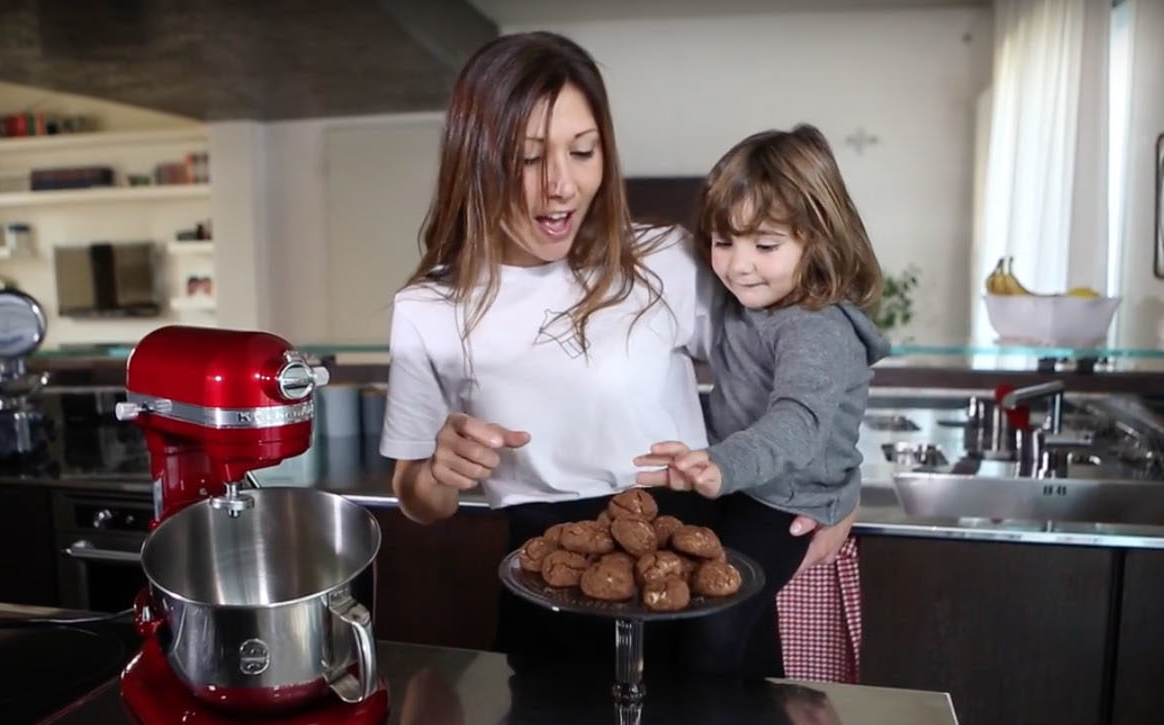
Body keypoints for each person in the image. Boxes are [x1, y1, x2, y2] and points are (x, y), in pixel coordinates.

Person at [380, 31, 850, 673]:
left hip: (696, 579)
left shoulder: (667, 259)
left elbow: (805, 363)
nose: (561, 187)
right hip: (547, 587)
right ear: (475, 160)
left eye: (582, 151)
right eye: (526, 158)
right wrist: (438, 472)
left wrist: (841, 490)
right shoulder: (427, 309)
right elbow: (414, 497)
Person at [634, 125, 889, 677]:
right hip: (748, 482)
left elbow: (797, 422)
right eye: (724, 242)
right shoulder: (752, 300)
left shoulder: (815, 328)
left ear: (817, 240)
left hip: (789, 500)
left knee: (717, 617)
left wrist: (720, 465)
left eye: (765, 245)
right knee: (727, 616)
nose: (739, 264)